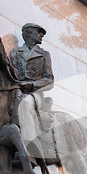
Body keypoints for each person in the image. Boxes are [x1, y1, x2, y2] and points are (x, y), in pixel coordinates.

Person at [10, 23, 54, 158]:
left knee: (25, 102)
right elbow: (10, 73)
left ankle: (29, 148)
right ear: (28, 33)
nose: (41, 35)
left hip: (35, 95)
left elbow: (50, 80)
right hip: (16, 91)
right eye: (39, 32)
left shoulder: (44, 54)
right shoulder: (15, 53)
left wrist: (33, 85)